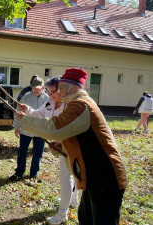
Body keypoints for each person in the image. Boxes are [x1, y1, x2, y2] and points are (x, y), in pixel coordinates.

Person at [16, 68, 127, 225]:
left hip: (105, 177)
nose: (58, 94)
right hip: (94, 177)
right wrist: (61, 146)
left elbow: (55, 128)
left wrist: (25, 120)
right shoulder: (76, 104)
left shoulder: (80, 105)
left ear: (71, 88)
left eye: (60, 89)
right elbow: (78, 137)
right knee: (86, 219)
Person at [18, 76, 78, 224]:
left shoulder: (69, 105)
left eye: (53, 92)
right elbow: (39, 114)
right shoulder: (50, 102)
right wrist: (28, 110)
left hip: (70, 145)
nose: (50, 95)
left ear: (61, 90)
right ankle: (73, 201)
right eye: (49, 92)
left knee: (67, 176)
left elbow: (61, 127)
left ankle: (62, 214)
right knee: (71, 174)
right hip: (60, 144)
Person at [9, 76, 48, 182]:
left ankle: (34, 174)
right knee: (22, 151)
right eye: (33, 88)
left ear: (43, 87)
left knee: (38, 152)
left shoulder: (48, 99)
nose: (35, 90)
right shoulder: (26, 97)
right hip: (26, 130)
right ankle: (19, 173)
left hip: (40, 131)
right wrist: (17, 127)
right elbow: (18, 112)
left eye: (38, 88)